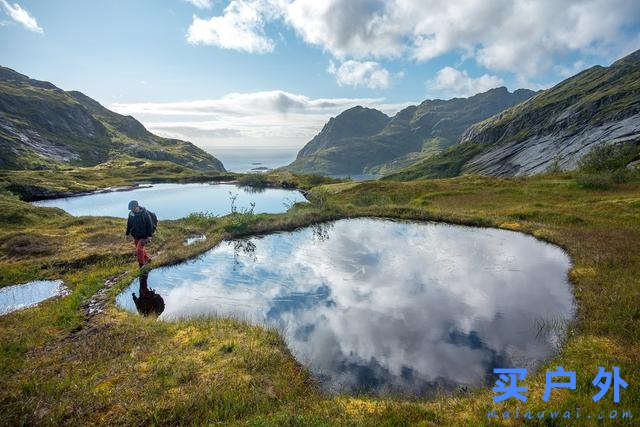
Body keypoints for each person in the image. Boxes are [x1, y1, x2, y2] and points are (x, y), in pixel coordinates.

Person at [125, 200, 154, 267]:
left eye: (133, 208)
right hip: (136, 235)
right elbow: (129, 224)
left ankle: (141, 264)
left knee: (139, 249)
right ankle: (148, 259)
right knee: (140, 249)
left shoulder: (145, 213)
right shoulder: (131, 214)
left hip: (144, 236)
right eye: (131, 209)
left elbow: (149, 225)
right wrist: (127, 234)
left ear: (137, 206)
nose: (132, 210)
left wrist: (149, 236)